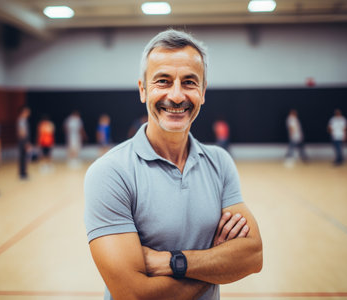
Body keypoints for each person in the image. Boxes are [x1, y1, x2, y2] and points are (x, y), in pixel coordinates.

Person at [84, 29, 262, 300]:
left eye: (189, 82)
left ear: (203, 92)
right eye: (163, 81)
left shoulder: (220, 163)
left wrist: (170, 262)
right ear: (143, 90)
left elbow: (252, 256)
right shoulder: (110, 172)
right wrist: (214, 265)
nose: (177, 96)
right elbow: (133, 295)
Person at [17, 106, 31, 180]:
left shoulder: (23, 120)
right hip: (23, 142)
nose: (29, 113)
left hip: (23, 141)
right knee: (23, 158)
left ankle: (24, 173)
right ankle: (22, 174)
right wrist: (26, 143)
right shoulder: (22, 120)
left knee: (24, 157)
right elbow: (22, 132)